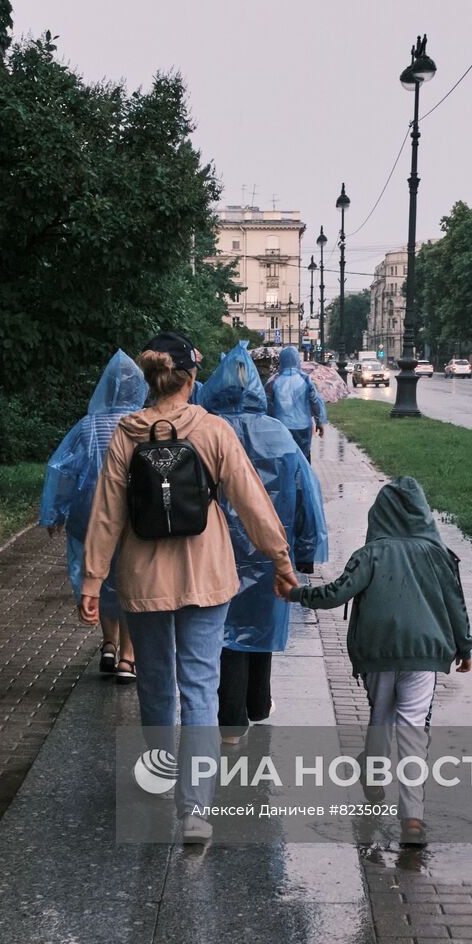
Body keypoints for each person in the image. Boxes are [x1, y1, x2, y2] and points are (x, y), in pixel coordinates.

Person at [81, 332, 298, 844]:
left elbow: (106, 513)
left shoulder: (126, 434)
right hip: (206, 574)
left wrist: (92, 579)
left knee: (156, 683)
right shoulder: (213, 430)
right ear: (191, 377)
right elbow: (250, 501)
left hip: (143, 576)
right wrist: (281, 561)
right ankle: (196, 808)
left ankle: (159, 780)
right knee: (200, 687)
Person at [290, 476, 472, 847]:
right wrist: (464, 647)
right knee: (412, 727)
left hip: (376, 651)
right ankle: (413, 818)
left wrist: (297, 594)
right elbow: (456, 603)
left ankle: (374, 776)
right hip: (424, 653)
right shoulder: (438, 554)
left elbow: (337, 593)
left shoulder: (370, 554)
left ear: (380, 513)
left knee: (381, 716)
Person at [200, 344, 329, 744]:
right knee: (261, 626)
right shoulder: (277, 434)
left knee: (225, 636)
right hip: (272, 550)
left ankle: (231, 720)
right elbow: (307, 493)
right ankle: (258, 703)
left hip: (214, 553)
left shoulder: (204, 432)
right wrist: (304, 553)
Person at [39, 350, 144, 682]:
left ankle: (108, 645)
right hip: (132, 518)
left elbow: (62, 470)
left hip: (89, 515)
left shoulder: (87, 426)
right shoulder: (144, 424)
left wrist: (54, 513)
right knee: (129, 581)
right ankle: (128, 657)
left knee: (97, 575)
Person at [267, 346, 327, 461]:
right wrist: (319, 422)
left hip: (281, 427)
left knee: (284, 460)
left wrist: (269, 424)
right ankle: (304, 478)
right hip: (303, 426)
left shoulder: (273, 381)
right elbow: (314, 401)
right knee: (303, 459)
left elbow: (268, 405)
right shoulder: (305, 379)